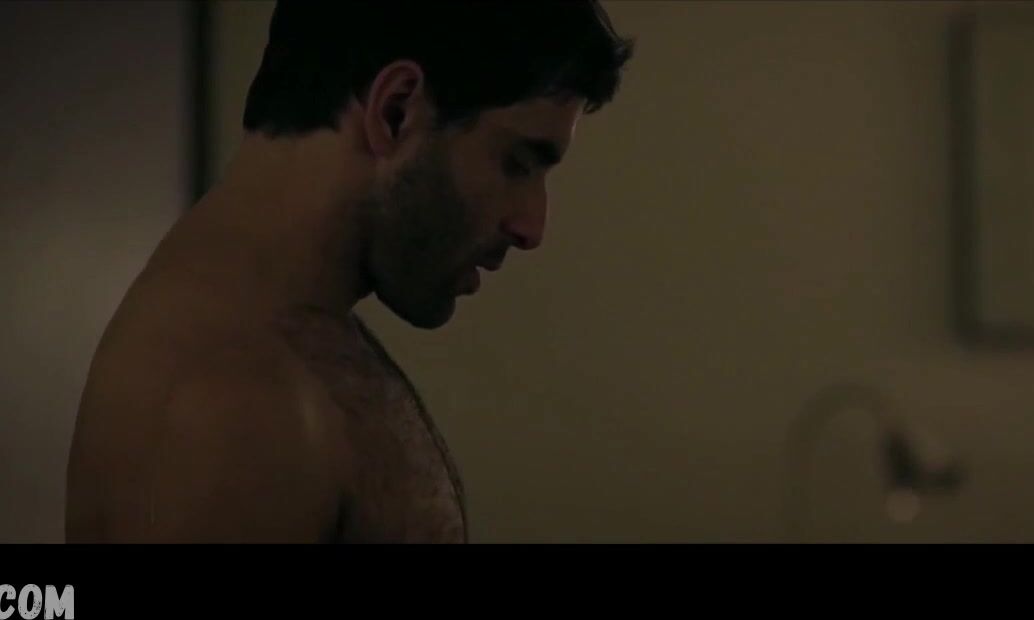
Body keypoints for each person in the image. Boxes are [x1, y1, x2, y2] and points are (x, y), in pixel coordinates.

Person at [64, 0, 634, 543]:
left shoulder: (285, 334)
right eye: (517, 162)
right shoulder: (231, 404)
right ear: (396, 110)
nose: (532, 227)